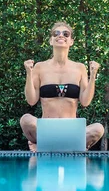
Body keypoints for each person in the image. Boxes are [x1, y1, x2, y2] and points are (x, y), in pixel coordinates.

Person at [20, 21, 104, 151]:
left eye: (66, 34)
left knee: (98, 128)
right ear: (51, 40)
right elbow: (31, 100)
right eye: (56, 33)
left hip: (71, 131)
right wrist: (29, 73)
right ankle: (68, 146)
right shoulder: (40, 67)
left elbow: (85, 101)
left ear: (71, 41)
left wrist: (93, 75)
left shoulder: (79, 68)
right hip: (46, 129)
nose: (61, 36)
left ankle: (47, 145)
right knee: (26, 120)